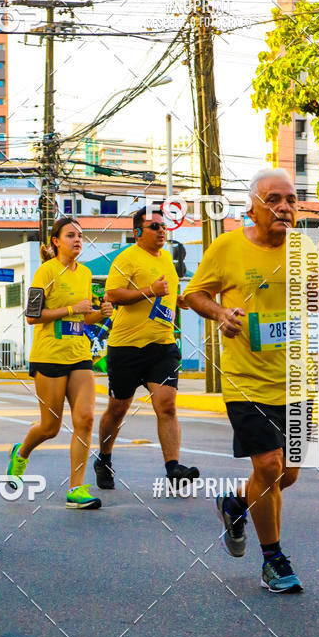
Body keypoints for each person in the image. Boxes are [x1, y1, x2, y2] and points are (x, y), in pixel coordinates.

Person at [182, 168, 319, 594]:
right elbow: (193, 294)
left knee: (288, 474)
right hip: (245, 379)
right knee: (268, 466)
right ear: (252, 206)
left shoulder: (304, 249)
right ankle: (273, 560)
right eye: (273, 199)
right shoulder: (227, 246)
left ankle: (235, 502)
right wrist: (219, 313)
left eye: (290, 199)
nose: (285, 207)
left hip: (295, 378)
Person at [7, 217, 113, 509]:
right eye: (70, 235)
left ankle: (76, 489)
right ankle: (21, 452)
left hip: (79, 355)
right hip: (48, 356)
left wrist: (101, 312)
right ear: (56, 241)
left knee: (86, 419)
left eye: (80, 235)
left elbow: (84, 316)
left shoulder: (86, 272)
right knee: (50, 427)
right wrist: (71, 308)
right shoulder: (46, 271)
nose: (78, 239)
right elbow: (32, 316)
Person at [93, 206, 199, 491]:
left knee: (166, 405)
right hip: (126, 347)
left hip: (162, 346)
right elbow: (113, 295)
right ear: (137, 232)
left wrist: (179, 300)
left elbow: (166, 293)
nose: (162, 230)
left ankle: (173, 469)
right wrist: (149, 291)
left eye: (163, 226)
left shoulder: (167, 258)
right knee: (118, 409)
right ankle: (103, 459)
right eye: (154, 226)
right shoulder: (126, 258)